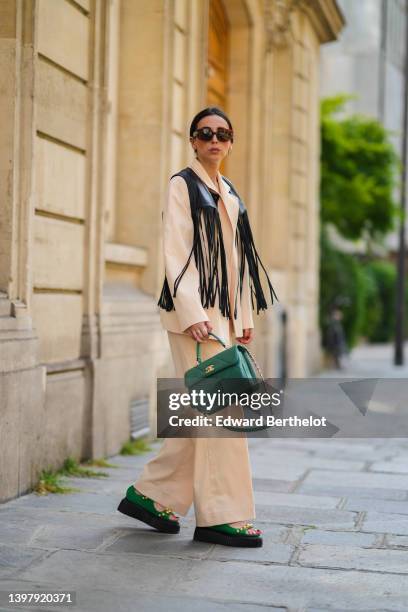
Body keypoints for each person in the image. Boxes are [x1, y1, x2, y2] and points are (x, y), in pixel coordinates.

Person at [117, 107, 278, 548]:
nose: (214, 140)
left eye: (223, 134)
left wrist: (243, 318)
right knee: (224, 409)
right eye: (204, 133)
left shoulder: (228, 191)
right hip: (196, 318)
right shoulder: (181, 185)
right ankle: (222, 515)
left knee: (202, 410)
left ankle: (151, 496)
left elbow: (239, 262)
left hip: (224, 317)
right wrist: (193, 313)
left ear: (231, 142)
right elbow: (175, 251)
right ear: (192, 140)